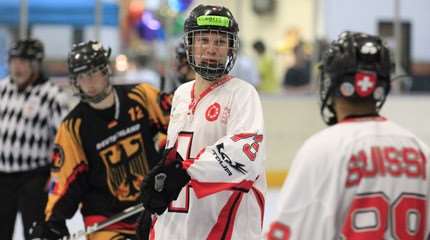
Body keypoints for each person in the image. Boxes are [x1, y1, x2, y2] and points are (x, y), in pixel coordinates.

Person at [266, 31, 430, 240]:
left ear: (331, 84)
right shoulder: (421, 151)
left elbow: (286, 233)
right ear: (383, 87)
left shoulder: (322, 149)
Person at [139, 4, 266, 240]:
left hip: (223, 226)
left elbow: (245, 152)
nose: (211, 48)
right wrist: (155, 213)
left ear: (230, 47)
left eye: (220, 41)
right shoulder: (181, 94)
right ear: (190, 45)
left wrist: (185, 171)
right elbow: (174, 157)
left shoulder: (242, 93)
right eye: (203, 40)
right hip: (179, 226)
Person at [29, 40, 170, 240]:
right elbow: (65, 178)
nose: (89, 82)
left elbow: (179, 124)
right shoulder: (73, 127)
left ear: (105, 71)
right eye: (82, 76)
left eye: (94, 73)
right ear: (75, 81)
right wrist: (54, 220)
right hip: (105, 218)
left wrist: (172, 162)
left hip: (153, 208)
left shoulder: (141, 95)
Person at [0, 38, 68, 239]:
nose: (17, 67)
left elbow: (63, 141)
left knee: (36, 231)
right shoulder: (2, 89)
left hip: (35, 176)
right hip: (2, 175)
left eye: (23, 62)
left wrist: (56, 174)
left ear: (35, 65)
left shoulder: (52, 95)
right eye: (14, 61)